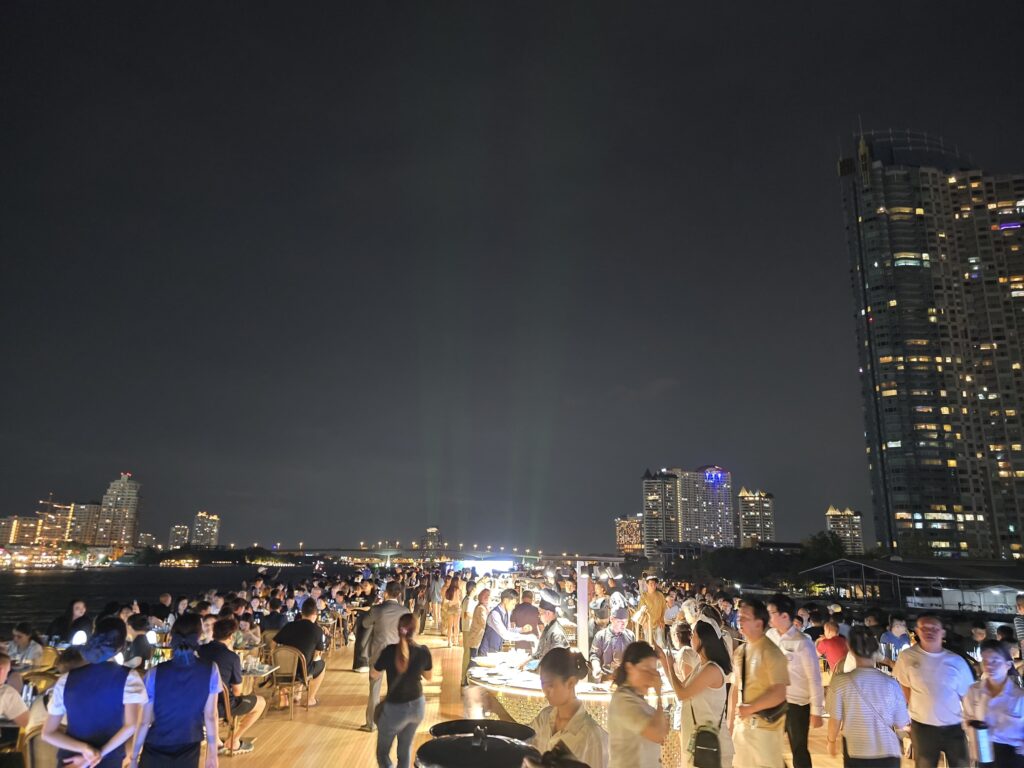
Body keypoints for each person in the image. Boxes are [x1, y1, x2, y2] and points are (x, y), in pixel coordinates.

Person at [42, 617, 148, 768]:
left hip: (71, 759)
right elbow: (130, 726)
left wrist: (85, 750)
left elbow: (48, 733)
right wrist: (98, 753)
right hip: (108, 759)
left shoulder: (66, 680)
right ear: (121, 646)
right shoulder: (129, 678)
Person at [132, 613, 220, 768]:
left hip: (156, 743)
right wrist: (212, 755)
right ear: (198, 637)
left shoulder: (154, 673)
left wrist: (133, 757)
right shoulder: (211, 670)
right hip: (189, 744)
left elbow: (144, 721)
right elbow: (211, 716)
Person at [893, 612, 973, 768]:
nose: (929, 632)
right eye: (924, 628)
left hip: (954, 726)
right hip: (923, 727)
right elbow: (904, 685)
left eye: (934, 628)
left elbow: (967, 697)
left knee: (961, 764)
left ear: (943, 632)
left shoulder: (956, 661)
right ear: (916, 630)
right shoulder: (907, 657)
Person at [657, 613, 734, 768]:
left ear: (703, 641)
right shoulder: (701, 666)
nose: (691, 638)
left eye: (694, 635)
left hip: (710, 744)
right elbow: (680, 687)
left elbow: (681, 694)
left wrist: (670, 667)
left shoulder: (712, 669)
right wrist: (665, 664)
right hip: (699, 741)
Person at [825, 626, 908, 768]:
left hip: (857, 750)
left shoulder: (840, 682)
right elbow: (901, 724)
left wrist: (831, 742)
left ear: (849, 647)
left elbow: (835, 720)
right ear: (876, 649)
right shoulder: (891, 683)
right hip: (889, 752)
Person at [729, 599, 789, 768]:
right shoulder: (740, 652)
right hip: (742, 727)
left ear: (759, 623)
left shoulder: (772, 653)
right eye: (739, 616)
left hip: (765, 731)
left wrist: (750, 708)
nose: (740, 620)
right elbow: (735, 688)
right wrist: (731, 723)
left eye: (745, 617)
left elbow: (779, 692)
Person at [766, 594, 824, 768]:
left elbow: (814, 678)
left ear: (784, 616)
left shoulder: (803, 643)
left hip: (797, 704)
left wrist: (817, 711)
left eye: (771, 612)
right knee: (768, 745)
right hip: (775, 701)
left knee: (798, 749)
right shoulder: (770, 636)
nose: (767, 616)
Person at [527, 647, 608, 768]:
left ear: (571, 682)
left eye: (551, 685)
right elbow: (523, 742)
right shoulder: (545, 717)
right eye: (543, 684)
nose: (546, 691)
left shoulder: (591, 736)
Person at [197, 617, 267, 755]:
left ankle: (215, 738)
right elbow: (237, 691)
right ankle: (233, 740)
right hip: (221, 705)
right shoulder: (231, 657)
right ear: (231, 636)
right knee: (260, 702)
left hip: (197, 702)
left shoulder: (199, 650)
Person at [372, 613, 432, 768]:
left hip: (395, 708)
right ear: (416, 630)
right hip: (417, 706)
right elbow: (429, 676)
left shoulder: (389, 651)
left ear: (398, 629)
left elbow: (374, 673)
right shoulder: (423, 651)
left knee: (382, 752)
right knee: (405, 748)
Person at [962, 639, 1024, 767]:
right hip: (983, 750)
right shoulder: (974, 691)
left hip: (1012, 754)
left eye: (995, 661)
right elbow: (966, 719)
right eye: (985, 661)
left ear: (1008, 664)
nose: (989, 666)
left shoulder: (1019, 697)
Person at [607, 641, 668, 768]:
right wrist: (659, 697)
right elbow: (657, 733)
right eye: (646, 670)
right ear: (630, 668)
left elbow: (663, 732)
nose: (651, 677)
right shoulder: (623, 701)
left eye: (654, 672)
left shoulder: (638, 699)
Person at [361, 581, 411, 732]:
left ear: (386, 593)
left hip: (379, 652)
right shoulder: (405, 610)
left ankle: (372, 723)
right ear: (399, 594)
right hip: (398, 653)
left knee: (375, 689)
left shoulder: (378, 609)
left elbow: (364, 623)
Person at [275, 598, 328, 709]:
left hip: (282, 669)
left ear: (302, 613)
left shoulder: (289, 626)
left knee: (287, 662)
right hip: (302, 670)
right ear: (315, 614)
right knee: (321, 664)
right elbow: (317, 655)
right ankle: (310, 699)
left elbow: (272, 643)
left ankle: (287, 698)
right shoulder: (317, 630)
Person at [479, 588, 535, 657]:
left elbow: (508, 629)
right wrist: (527, 637)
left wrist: (521, 629)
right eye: (513, 604)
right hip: (486, 651)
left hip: (496, 650)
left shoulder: (507, 612)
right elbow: (505, 634)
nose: (514, 607)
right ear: (505, 600)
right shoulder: (495, 614)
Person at [590, 607, 635, 682]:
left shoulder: (630, 636)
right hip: (606, 677)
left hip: (625, 678)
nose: (623, 625)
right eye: (619, 621)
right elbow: (594, 655)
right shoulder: (601, 636)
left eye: (625, 621)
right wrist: (596, 667)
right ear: (611, 619)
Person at [531, 589, 569, 662]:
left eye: (540, 613)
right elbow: (540, 652)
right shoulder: (548, 627)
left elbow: (558, 661)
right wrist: (526, 662)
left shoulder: (557, 633)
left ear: (548, 613)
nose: (539, 616)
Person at [462, 588, 490, 686]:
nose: (488, 598)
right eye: (486, 596)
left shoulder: (481, 607)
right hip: (476, 639)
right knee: (473, 661)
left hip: (475, 638)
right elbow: (484, 623)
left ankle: (467, 680)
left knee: (473, 660)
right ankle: (467, 680)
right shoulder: (481, 608)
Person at [636, 577, 667, 647]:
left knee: (661, 644)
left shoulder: (660, 595)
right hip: (648, 624)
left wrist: (662, 619)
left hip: (658, 623)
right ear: (647, 584)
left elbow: (663, 608)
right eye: (651, 584)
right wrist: (644, 623)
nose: (653, 586)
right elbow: (641, 611)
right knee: (649, 645)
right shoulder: (643, 596)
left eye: (654, 584)